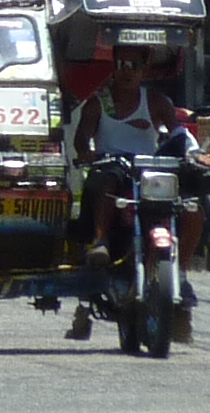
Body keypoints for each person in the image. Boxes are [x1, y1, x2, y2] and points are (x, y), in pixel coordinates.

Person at [63, 50, 195, 340]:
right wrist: (87, 153)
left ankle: (182, 273)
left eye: (133, 66)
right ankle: (100, 242)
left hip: (149, 174)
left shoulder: (158, 102)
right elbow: (81, 140)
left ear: (143, 70)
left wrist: (196, 154)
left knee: (193, 204)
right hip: (112, 169)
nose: (127, 72)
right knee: (108, 181)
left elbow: (178, 134)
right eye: (121, 65)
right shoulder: (99, 103)